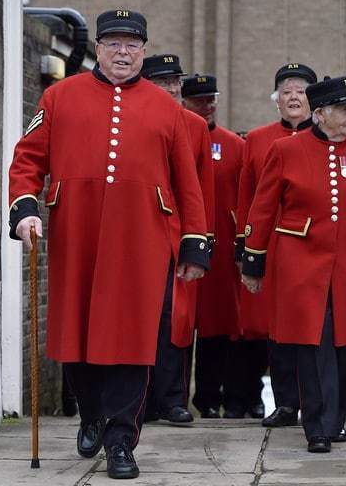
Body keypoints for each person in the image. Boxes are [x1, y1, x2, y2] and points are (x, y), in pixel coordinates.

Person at [8, 9, 209, 479]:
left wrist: (195, 245)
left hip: (144, 239)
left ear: (143, 50)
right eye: (114, 43)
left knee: (133, 342)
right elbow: (27, 159)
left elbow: (188, 184)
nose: (123, 52)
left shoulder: (168, 111)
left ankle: (121, 440)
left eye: (132, 44)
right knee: (77, 336)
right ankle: (91, 414)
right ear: (98, 48)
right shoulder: (59, 96)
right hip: (77, 233)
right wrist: (25, 207)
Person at [240, 75, 346, 453]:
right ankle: (316, 427)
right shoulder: (286, 150)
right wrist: (253, 261)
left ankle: (334, 421)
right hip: (301, 264)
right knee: (311, 344)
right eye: (345, 109)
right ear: (320, 114)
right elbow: (263, 207)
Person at [235, 63, 318, 428]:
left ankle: (320, 405)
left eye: (301, 91)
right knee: (279, 330)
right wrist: (246, 248)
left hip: (316, 249)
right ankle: (286, 404)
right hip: (273, 249)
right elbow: (247, 197)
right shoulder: (256, 139)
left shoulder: (328, 139)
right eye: (286, 92)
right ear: (277, 101)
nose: (294, 97)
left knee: (318, 330)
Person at [140, 54, 215, 424]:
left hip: (178, 235)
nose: (171, 89)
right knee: (139, 317)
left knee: (175, 321)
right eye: (162, 82)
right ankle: (140, 399)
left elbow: (202, 189)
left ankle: (172, 399)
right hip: (139, 234)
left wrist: (201, 240)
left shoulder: (195, 126)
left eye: (175, 82)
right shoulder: (134, 118)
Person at [182, 75, 254, 419]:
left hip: (222, 250)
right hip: (182, 244)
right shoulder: (175, 136)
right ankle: (171, 396)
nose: (207, 105)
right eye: (199, 100)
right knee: (178, 326)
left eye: (211, 99)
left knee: (218, 327)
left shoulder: (234, 145)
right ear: (185, 103)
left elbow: (246, 196)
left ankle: (210, 397)